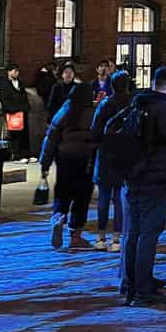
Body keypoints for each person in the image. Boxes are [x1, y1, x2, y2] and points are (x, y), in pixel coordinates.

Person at [119, 65, 166, 307]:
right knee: (149, 234)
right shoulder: (162, 108)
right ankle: (143, 290)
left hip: (134, 175)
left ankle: (133, 282)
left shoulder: (139, 103)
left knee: (134, 233)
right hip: (154, 177)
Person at [39, 81, 96, 250]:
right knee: (82, 197)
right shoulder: (93, 113)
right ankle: (75, 236)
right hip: (86, 160)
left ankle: (59, 217)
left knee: (63, 192)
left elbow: (51, 138)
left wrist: (45, 163)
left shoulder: (65, 111)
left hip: (65, 158)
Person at [91, 70, 132, 253]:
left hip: (106, 155)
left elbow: (95, 132)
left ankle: (101, 238)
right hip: (125, 156)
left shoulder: (105, 105)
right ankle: (117, 238)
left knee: (104, 198)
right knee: (119, 198)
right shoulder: (133, 105)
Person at [0, 63, 34, 162]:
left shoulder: (20, 83)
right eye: (14, 71)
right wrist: (13, 109)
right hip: (12, 113)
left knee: (25, 134)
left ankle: (27, 154)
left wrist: (26, 108)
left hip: (23, 112)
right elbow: (4, 99)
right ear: (9, 72)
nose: (17, 73)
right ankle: (17, 156)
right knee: (15, 134)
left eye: (17, 71)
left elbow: (24, 96)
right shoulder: (4, 84)